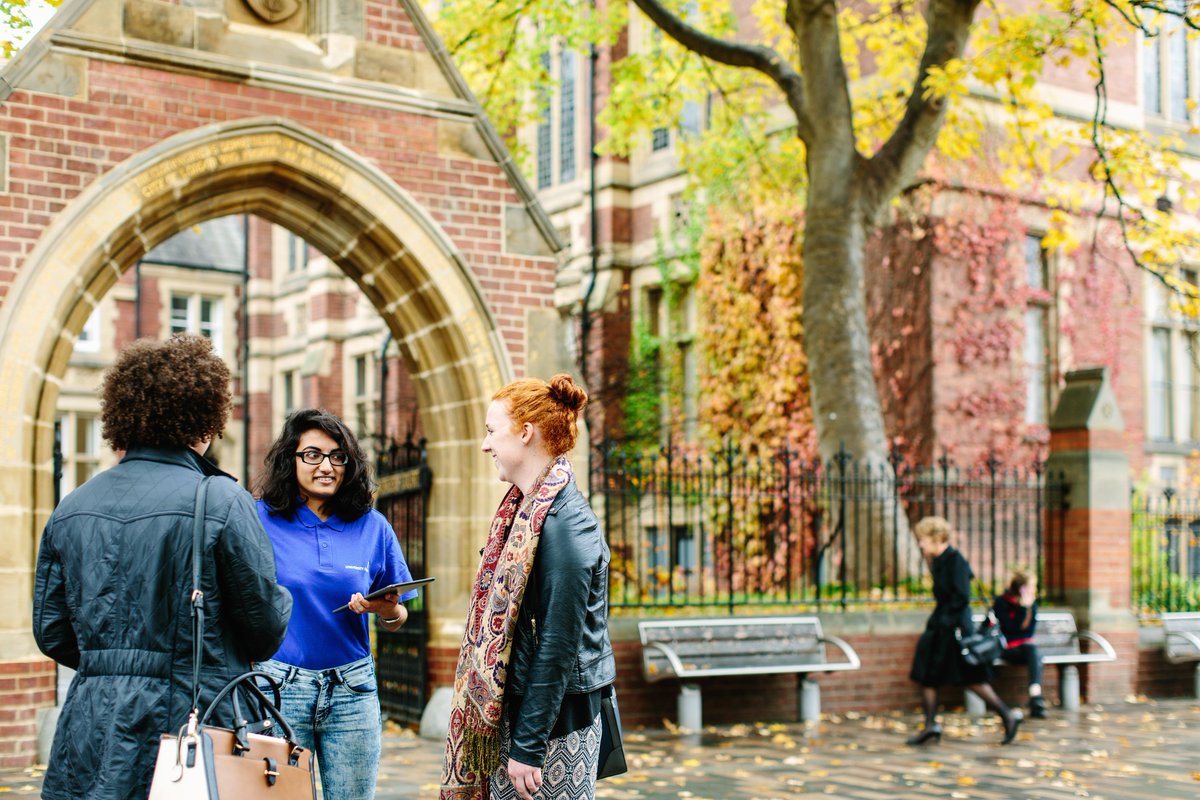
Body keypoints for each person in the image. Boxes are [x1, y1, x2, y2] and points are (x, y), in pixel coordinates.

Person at [33, 334, 293, 800]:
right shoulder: (219, 499)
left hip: (92, 725)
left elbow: (51, 631)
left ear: (122, 416)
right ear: (204, 420)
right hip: (194, 724)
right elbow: (264, 629)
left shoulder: (71, 506)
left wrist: (114, 664)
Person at [440, 374, 617, 800]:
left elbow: (559, 643)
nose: (485, 446)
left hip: (553, 727)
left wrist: (528, 746)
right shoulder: (525, 510)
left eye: (490, 432)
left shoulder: (564, 523)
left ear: (525, 433)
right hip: (521, 715)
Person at [254, 408, 418, 800]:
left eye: (337, 456)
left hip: (352, 690)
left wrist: (386, 610)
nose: (326, 466)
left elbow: (399, 615)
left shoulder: (373, 527)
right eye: (312, 454)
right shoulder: (259, 518)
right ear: (290, 459)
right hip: (280, 687)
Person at [906, 516, 1023, 746]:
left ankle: (1006, 715)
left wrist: (945, 622)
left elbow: (961, 597)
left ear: (937, 538)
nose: (921, 544)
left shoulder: (955, 560)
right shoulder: (939, 561)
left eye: (924, 539)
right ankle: (930, 725)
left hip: (954, 628)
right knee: (927, 674)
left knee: (971, 676)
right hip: (940, 626)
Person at [992, 568, 1048, 718]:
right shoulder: (1001, 603)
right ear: (1022, 588)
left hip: (1025, 649)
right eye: (1033, 586)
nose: (1035, 590)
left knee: (1032, 649)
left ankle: (1035, 696)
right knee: (1033, 651)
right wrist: (1022, 609)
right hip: (1007, 648)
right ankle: (1036, 698)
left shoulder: (1032, 605)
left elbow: (1028, 632)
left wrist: (1028, 608)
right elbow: (1010, 629)